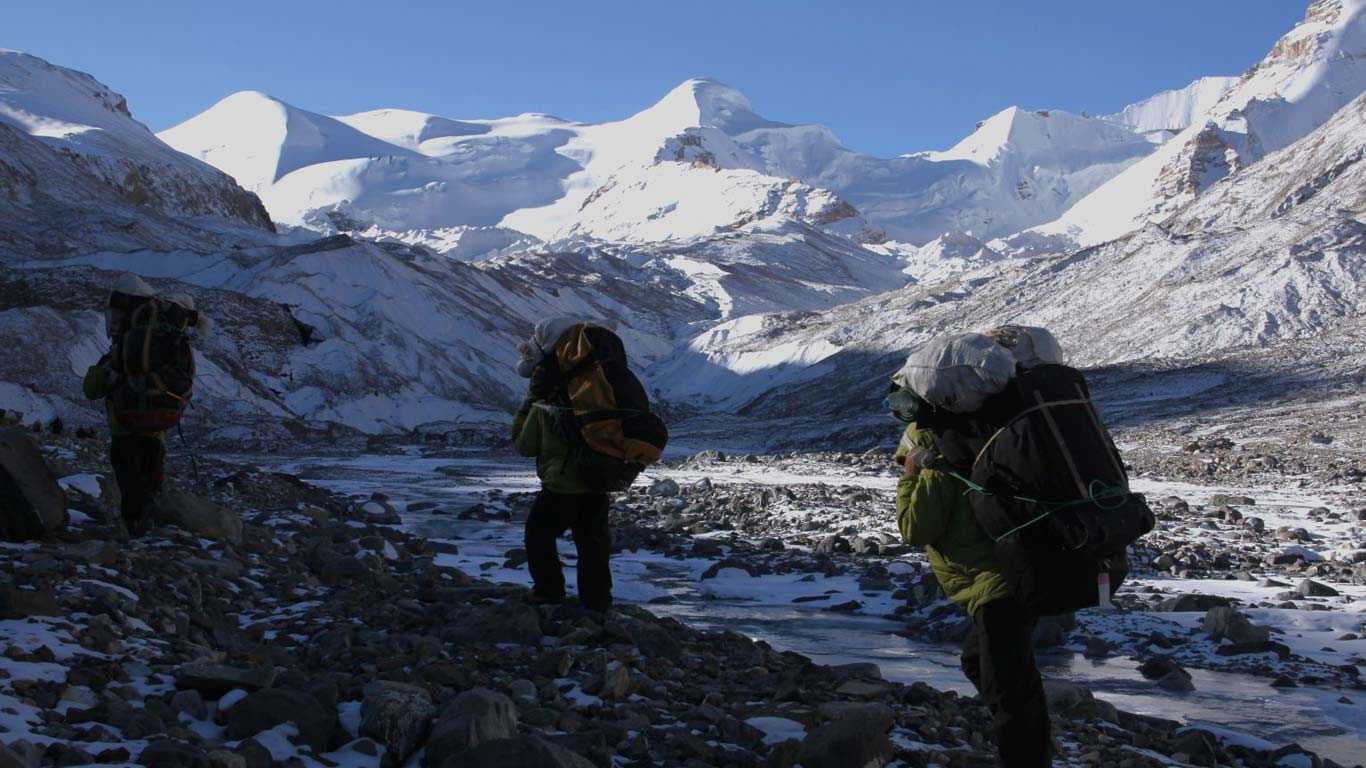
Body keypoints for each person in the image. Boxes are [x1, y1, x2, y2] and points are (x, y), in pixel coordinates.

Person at [892, 331, 1054, 768]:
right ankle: (1038, 741)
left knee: (1008, 690)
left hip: (997, 580)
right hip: (1024, 565)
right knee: (980, 661)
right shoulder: (988, 432)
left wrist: (911, 476)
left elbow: (915, 528)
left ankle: (1028, 756)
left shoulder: (939, 451)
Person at [512, 317, 614, 614]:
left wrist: (528, 406)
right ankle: (597, 603)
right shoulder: (598, 383)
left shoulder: (552, 391)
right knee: (592, 541)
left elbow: (524, 444)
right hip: (600, 477)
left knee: (538, 533)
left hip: (562, 482)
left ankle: (549, 591)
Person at [84, 273, 165, 538]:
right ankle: (151, 529)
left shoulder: (120, 351)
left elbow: (91, 389)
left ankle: (133, 531)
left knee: (129, 480)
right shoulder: (157, 346)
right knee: (151, 480)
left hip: (124, 428)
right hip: (157, 428)